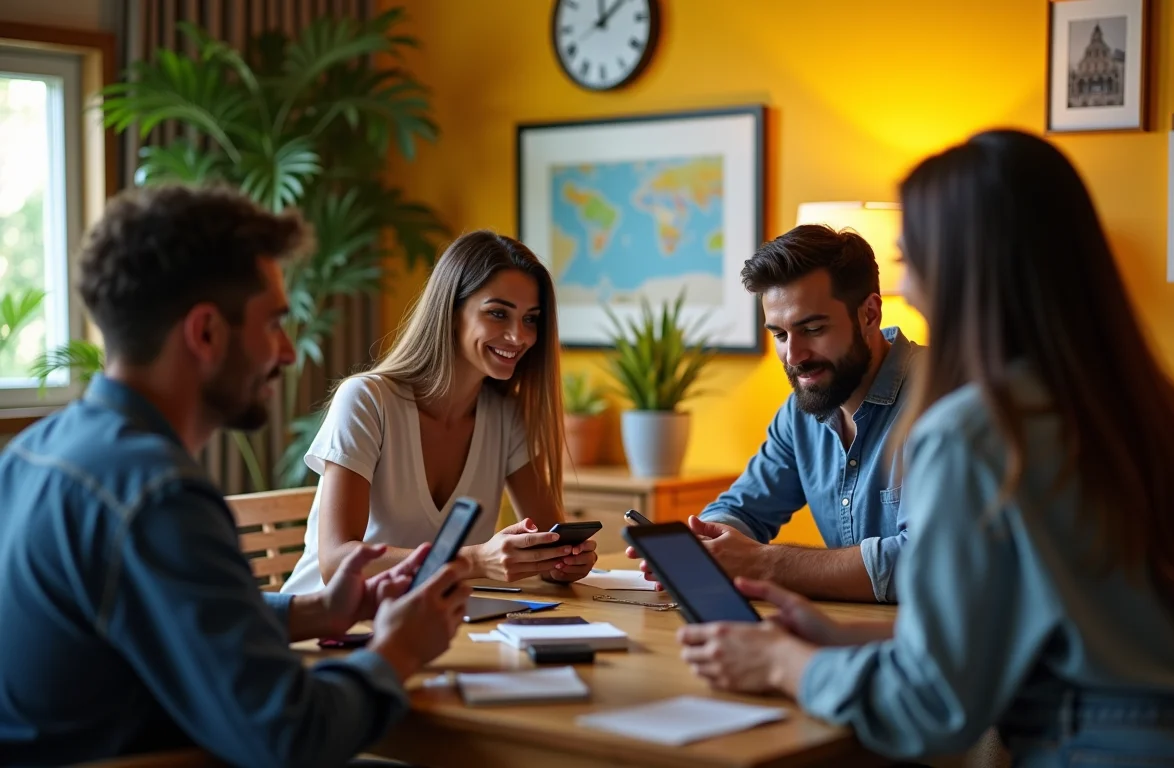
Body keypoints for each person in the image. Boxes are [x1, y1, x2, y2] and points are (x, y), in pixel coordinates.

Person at [677, 130, 1174, 765]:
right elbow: (1038, 623)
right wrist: (844, 640)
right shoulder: (1140, 405)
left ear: (963, 267)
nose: (911, 283)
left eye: (911, 258)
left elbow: (933, 709)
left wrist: (784, 664)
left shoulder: (972, 429)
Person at [0, 185, 472, 767]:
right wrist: (399, 651)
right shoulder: (160, 496)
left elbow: (170, 618)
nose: (289, 351)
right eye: (274, 322)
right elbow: (291, 737)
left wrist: (319, 611)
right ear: (205, 333)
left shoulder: (33, 453)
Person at [280, 230, 596, 596]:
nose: (518, 336)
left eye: (530, 319)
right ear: (451, 311)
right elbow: (337, 563)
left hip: (427, 626)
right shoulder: (367, 400)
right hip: (321, 629)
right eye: (498, 313)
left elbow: (548, 541)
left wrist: (563, 561)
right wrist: (474, 561)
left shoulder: (505, 418)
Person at [629, 224, 922, 602]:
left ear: (869, 314)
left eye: (812, 329)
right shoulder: (803, 410)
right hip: (848, 637)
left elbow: (925, 562)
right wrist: (705, 545)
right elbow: (743, 508)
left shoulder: (941, 398)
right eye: (780, 335)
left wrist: (763, 563)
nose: (794, 357)